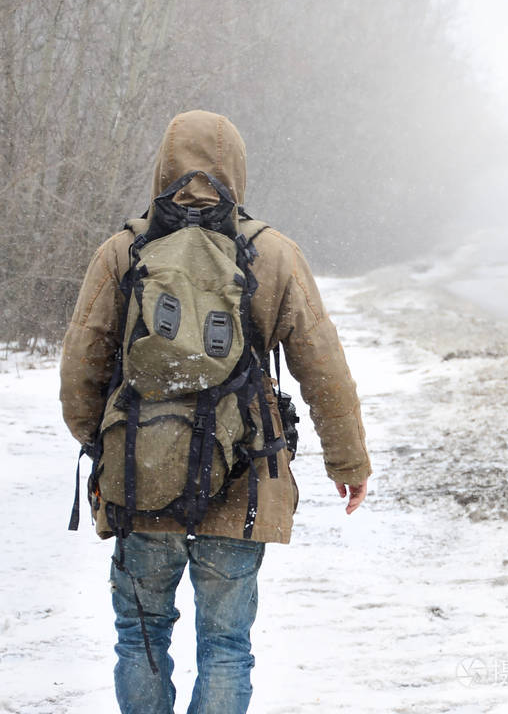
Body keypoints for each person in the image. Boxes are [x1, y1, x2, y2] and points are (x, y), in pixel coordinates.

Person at [60, 109, 372, 714]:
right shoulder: (274, 255)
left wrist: (109, 446)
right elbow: (323, 370)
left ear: (162, 165)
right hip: (243, 481)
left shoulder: (123, 251)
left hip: (139, 476)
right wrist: (347, 460)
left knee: (141, 638)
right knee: (227, 647)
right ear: (239, 169)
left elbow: (81, 371)